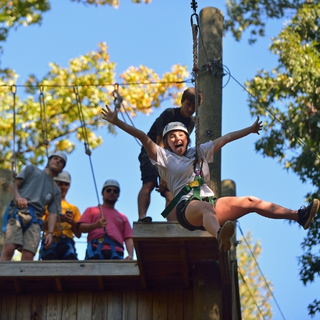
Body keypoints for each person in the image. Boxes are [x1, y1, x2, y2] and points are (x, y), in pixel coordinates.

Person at [101, 106, 320, 252]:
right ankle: (219, 237)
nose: (177, 138)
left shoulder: (198, 152)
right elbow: (141, 136)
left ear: (187, 139)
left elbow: (226, 138)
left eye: (181, 135)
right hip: (185, 207)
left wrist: (251, 129)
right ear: (166, 142)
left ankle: (298, 216)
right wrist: (117, 121)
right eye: (172, 137)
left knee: (250, 201)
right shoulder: (163, 157)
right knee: (206, 210)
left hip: (208, 203)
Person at [138, 87, 203, 223]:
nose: (191, 109)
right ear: (182, 101)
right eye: (188, 105)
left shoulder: (191, 123)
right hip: (152, 152)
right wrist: (162, 172)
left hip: (171, 157)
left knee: (170, 192)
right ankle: (142, 216)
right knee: (149, 183)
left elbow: (180, 147)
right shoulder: (169, 114)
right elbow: (159, 142)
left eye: (194, 107)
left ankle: (173, 223)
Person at [0, 151, 67, 261]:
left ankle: (22, 278)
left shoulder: (56, 190)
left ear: (62, 168)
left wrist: (50, 233)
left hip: (35, 220)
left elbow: (53, 213)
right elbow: (13, 185)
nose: (58, 161)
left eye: (61, 162)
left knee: (28, 255)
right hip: (18, 212)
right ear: (49, 160)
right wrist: (18, 198)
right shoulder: (32, 170)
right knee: (9, 249)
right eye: (55, 158)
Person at [78, 179, 134, 260]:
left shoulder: (123, 217)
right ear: (102, 193)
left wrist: (131, 255)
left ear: (118, 195)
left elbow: (128, 237)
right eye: (108, 190)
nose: (112, 192)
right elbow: (81, 228)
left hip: (116, 251)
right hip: (95, 248)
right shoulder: (91, 210)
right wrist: (95, 225)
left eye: (115, 191)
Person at [40, 170, 81, 260]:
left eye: (66, 184)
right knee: (50, 261)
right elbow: (40, 226)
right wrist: (56, 220)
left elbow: (78, 234)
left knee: (70, 262)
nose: (63, 187)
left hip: (67, 241)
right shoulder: (47, 205)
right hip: (51, 241)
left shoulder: (73, 208)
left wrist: (72, 222)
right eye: (60, 184)